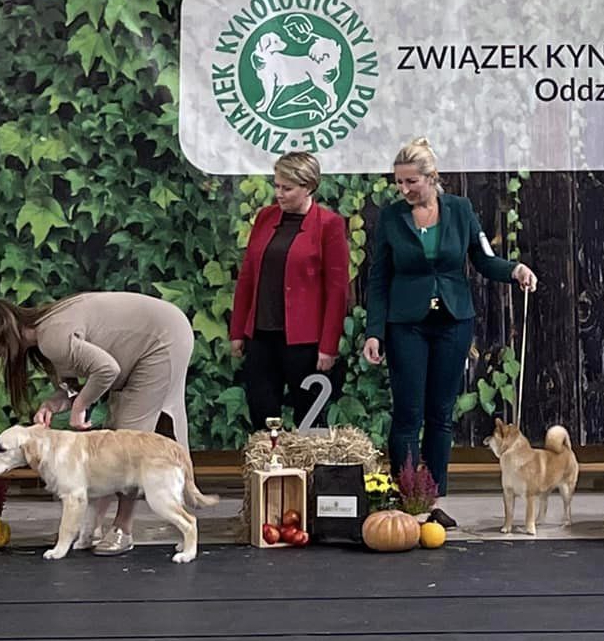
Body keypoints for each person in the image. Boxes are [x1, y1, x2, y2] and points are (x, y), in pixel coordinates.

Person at [360, 139, 536, 527]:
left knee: (441, 415)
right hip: (406, 324)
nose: (403, 189)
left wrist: (515, 270)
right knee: (408, 414)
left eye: (411, 182)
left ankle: (433, 498)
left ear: (432, 177)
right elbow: (379, 278)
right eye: (399, 182)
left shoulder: (460, 210)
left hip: (453, 323)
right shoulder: (391, 217)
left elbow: (483, 259)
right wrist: (375, 332)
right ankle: (408, 502)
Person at [0, 291, 196, 555]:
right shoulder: (44, 340)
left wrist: (80, 407)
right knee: (110, 448)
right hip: (152, 337)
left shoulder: (52, 337)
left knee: (127, 442)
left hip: (162, 339)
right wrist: (54, 403)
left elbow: (107, 369)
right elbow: (74, 385)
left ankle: (123, 529)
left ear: (7, 333)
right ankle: (90, 528)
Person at [229, 152, 350, 429]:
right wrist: (237, 331)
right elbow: (247, 276)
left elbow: (337, 291)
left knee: (309, 420)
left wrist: (328, 346)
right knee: (261, 416)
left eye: (287, 188)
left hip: (304, 343)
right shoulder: (265, 217)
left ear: (309, 187)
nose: (279, 194)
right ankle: (267, 459)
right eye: (277, 186)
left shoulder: (329, 225)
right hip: (261, 336)